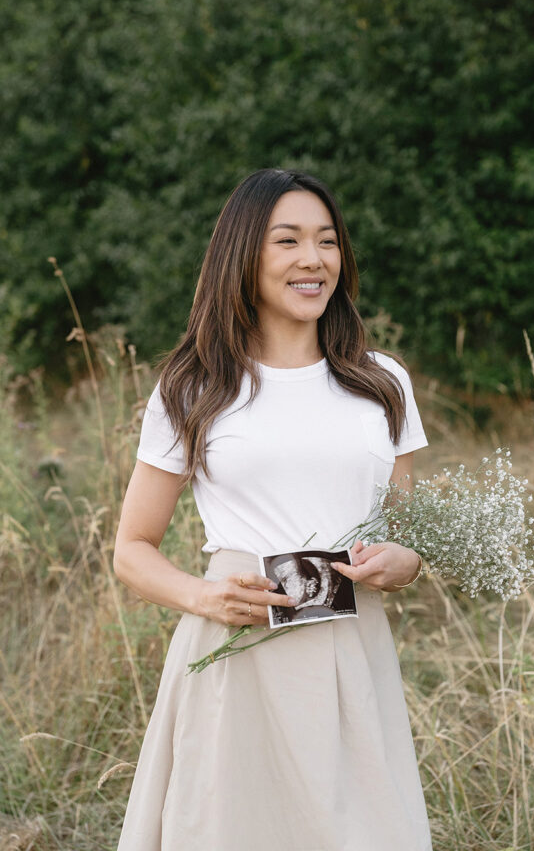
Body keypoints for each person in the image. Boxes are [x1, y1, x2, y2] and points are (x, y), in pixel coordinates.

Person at [113, 168, 433, 851]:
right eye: (286, 241)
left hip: (350, 645)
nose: (311, 260)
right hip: (238, 643)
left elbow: (408, 536)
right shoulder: (192, 388)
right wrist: (202, 597)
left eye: (326, 242)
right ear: (244, 256)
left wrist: (403, 561)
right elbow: (132, 549)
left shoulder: (383, 384)